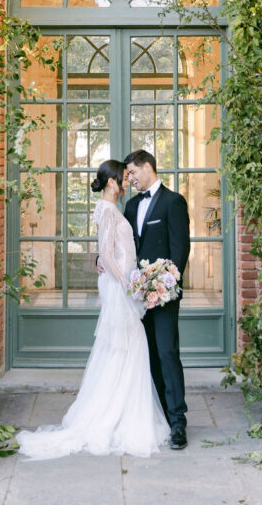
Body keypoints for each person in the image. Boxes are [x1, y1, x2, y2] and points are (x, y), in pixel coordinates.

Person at [17, 159, 170, 460]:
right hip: (118, 288)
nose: (127, 182)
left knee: (125, 347)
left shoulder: (109, 209)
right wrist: (130, 284)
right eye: (123, 178)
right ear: (112, 182)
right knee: (127, 345)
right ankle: (115, 415)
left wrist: (130, 280)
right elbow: (107, 255)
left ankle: (125, 411)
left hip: (119, 285)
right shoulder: (107, 210)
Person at [123, 150, 191, 450]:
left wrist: (167, 285)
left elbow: (180, 250)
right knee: (146, 358)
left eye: (133, 172)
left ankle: (177, 422)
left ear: (147, 166)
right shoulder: (131, 205)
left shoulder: (173, 201)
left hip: (163, 295)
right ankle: (159, 415)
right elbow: (123, 246)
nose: (130, 178)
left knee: (167, 353)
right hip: (136, 296)